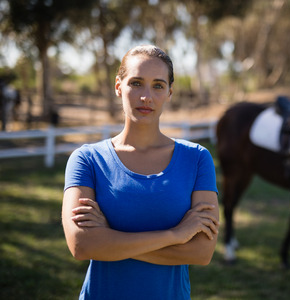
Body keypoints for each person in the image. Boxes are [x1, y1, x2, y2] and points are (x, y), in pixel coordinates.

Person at [61, 45, 219, 300]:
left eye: (158, 85)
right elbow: (81, 245)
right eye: (136, 83)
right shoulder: (87, 159)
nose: (146, 96)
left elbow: (201, 252)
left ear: (169, 92)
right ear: (118, 86)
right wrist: (175, 236)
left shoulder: (197, 159)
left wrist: (109, 241)